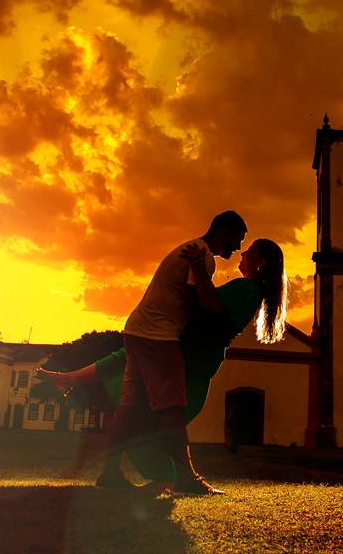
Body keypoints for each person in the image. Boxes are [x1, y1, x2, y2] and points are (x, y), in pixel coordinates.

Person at [39, 237, 288, 493]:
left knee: (148, 409)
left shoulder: (247, 290)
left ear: (261, 262)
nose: (241, 252)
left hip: (192, 361)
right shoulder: (247, 289)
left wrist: (197, 268)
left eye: (249, 251)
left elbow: (210, 304)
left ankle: (167, 476)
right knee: (131, 381)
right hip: (187, 353)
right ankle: (158, 475)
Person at [94, 211, 247, 495]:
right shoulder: (202, 255)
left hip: (137, 330)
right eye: (237, 239)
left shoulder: (193, 249)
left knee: (130, 408)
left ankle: (110, 473)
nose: (237, 248)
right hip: (158, 336)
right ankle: (186, 478)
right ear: (225, 231)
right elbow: (201, 302)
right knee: (172, 409)